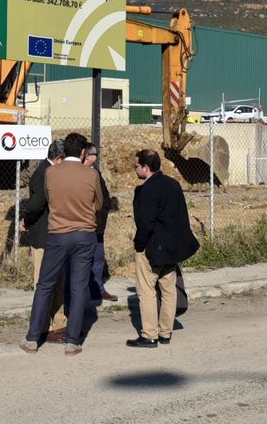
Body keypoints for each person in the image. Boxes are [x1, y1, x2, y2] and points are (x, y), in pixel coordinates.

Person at [21, 132, 103, 356]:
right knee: (78, 287)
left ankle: (32, 339)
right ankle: (72, 341)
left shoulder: (50, 173)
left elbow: (43, 200)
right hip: (84, 235)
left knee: (45, 285)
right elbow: (98, 204)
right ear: (83, 152)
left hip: (57, 234)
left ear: (63, 151)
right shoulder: (91, 175)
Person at [128, 149, 197, 348]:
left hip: (152, 249)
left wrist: (139, 246)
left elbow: (145, 224)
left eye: (136, 166)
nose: (135, 169)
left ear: (146, 168)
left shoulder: (148, 190)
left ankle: (149, 334)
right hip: (171, 249)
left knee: (147, 291)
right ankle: (165, 332)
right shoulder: (173, 184)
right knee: (168, 290)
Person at [19, 139, 67, 340]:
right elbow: (36, 205)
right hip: (43, 236)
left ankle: (59, 322)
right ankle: (45, 325)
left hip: (53, 235)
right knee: (45, 282)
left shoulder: (49, 171)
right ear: (57, 158)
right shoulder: (43, 174)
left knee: (56, 281)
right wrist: (26, 221)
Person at [82, 144, 118, 304]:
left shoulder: (95, 172)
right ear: (86, 155)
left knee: (98, 258)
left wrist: (106, 207)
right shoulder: (80, 174)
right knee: (82, 259)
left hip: (98, 225)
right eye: (94, 154)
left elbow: (103, 195)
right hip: (84, 224)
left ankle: (97, 289)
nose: (97, 157)